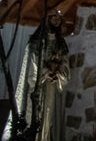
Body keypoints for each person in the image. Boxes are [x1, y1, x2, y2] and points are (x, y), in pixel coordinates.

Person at [5, 11, 69, 141]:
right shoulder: (36, 42)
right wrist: (46, 74)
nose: (57, 21)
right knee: (34, 115)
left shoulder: (61, 43)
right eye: (54, 18)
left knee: (49, 117)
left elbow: (65, 63)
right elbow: (32, 66)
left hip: (53, 86)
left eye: (59, 19)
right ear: (47, 19)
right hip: (37, 87)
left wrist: (58, 75)